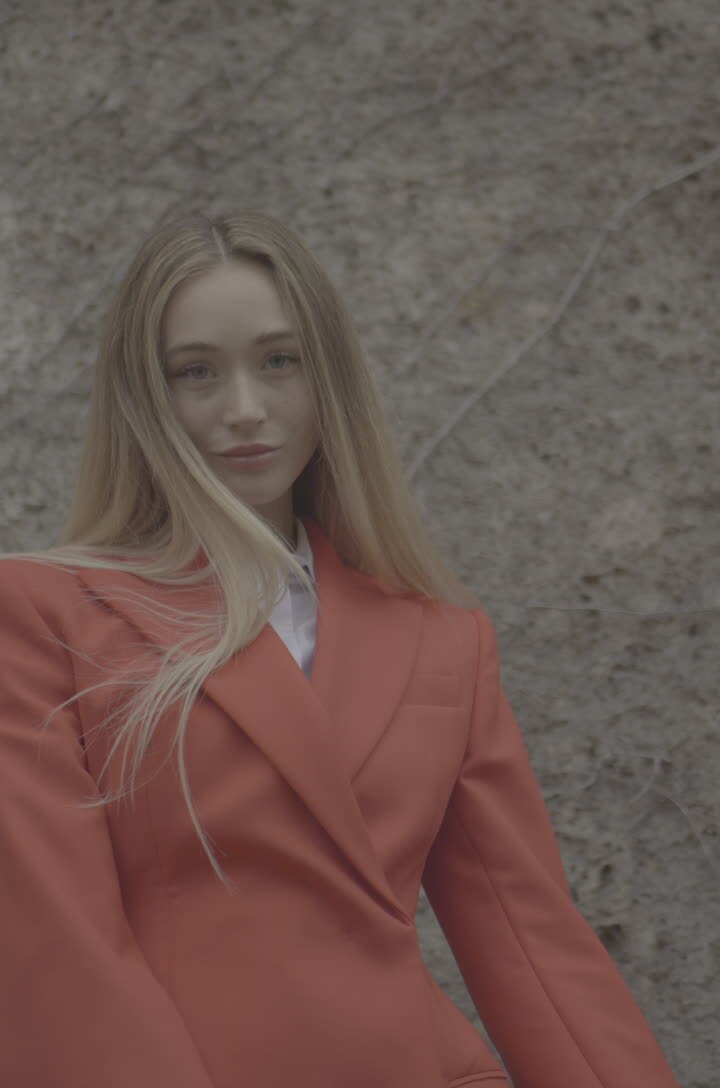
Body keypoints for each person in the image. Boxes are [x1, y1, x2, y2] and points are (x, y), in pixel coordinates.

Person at [0, 211, 681, 1088]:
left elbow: (533, 941)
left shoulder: (444, 638)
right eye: (196, 371)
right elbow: (59, 950)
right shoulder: (43, 613)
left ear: (329, 379)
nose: (245, 408)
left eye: (279, 361)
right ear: (145, 397)